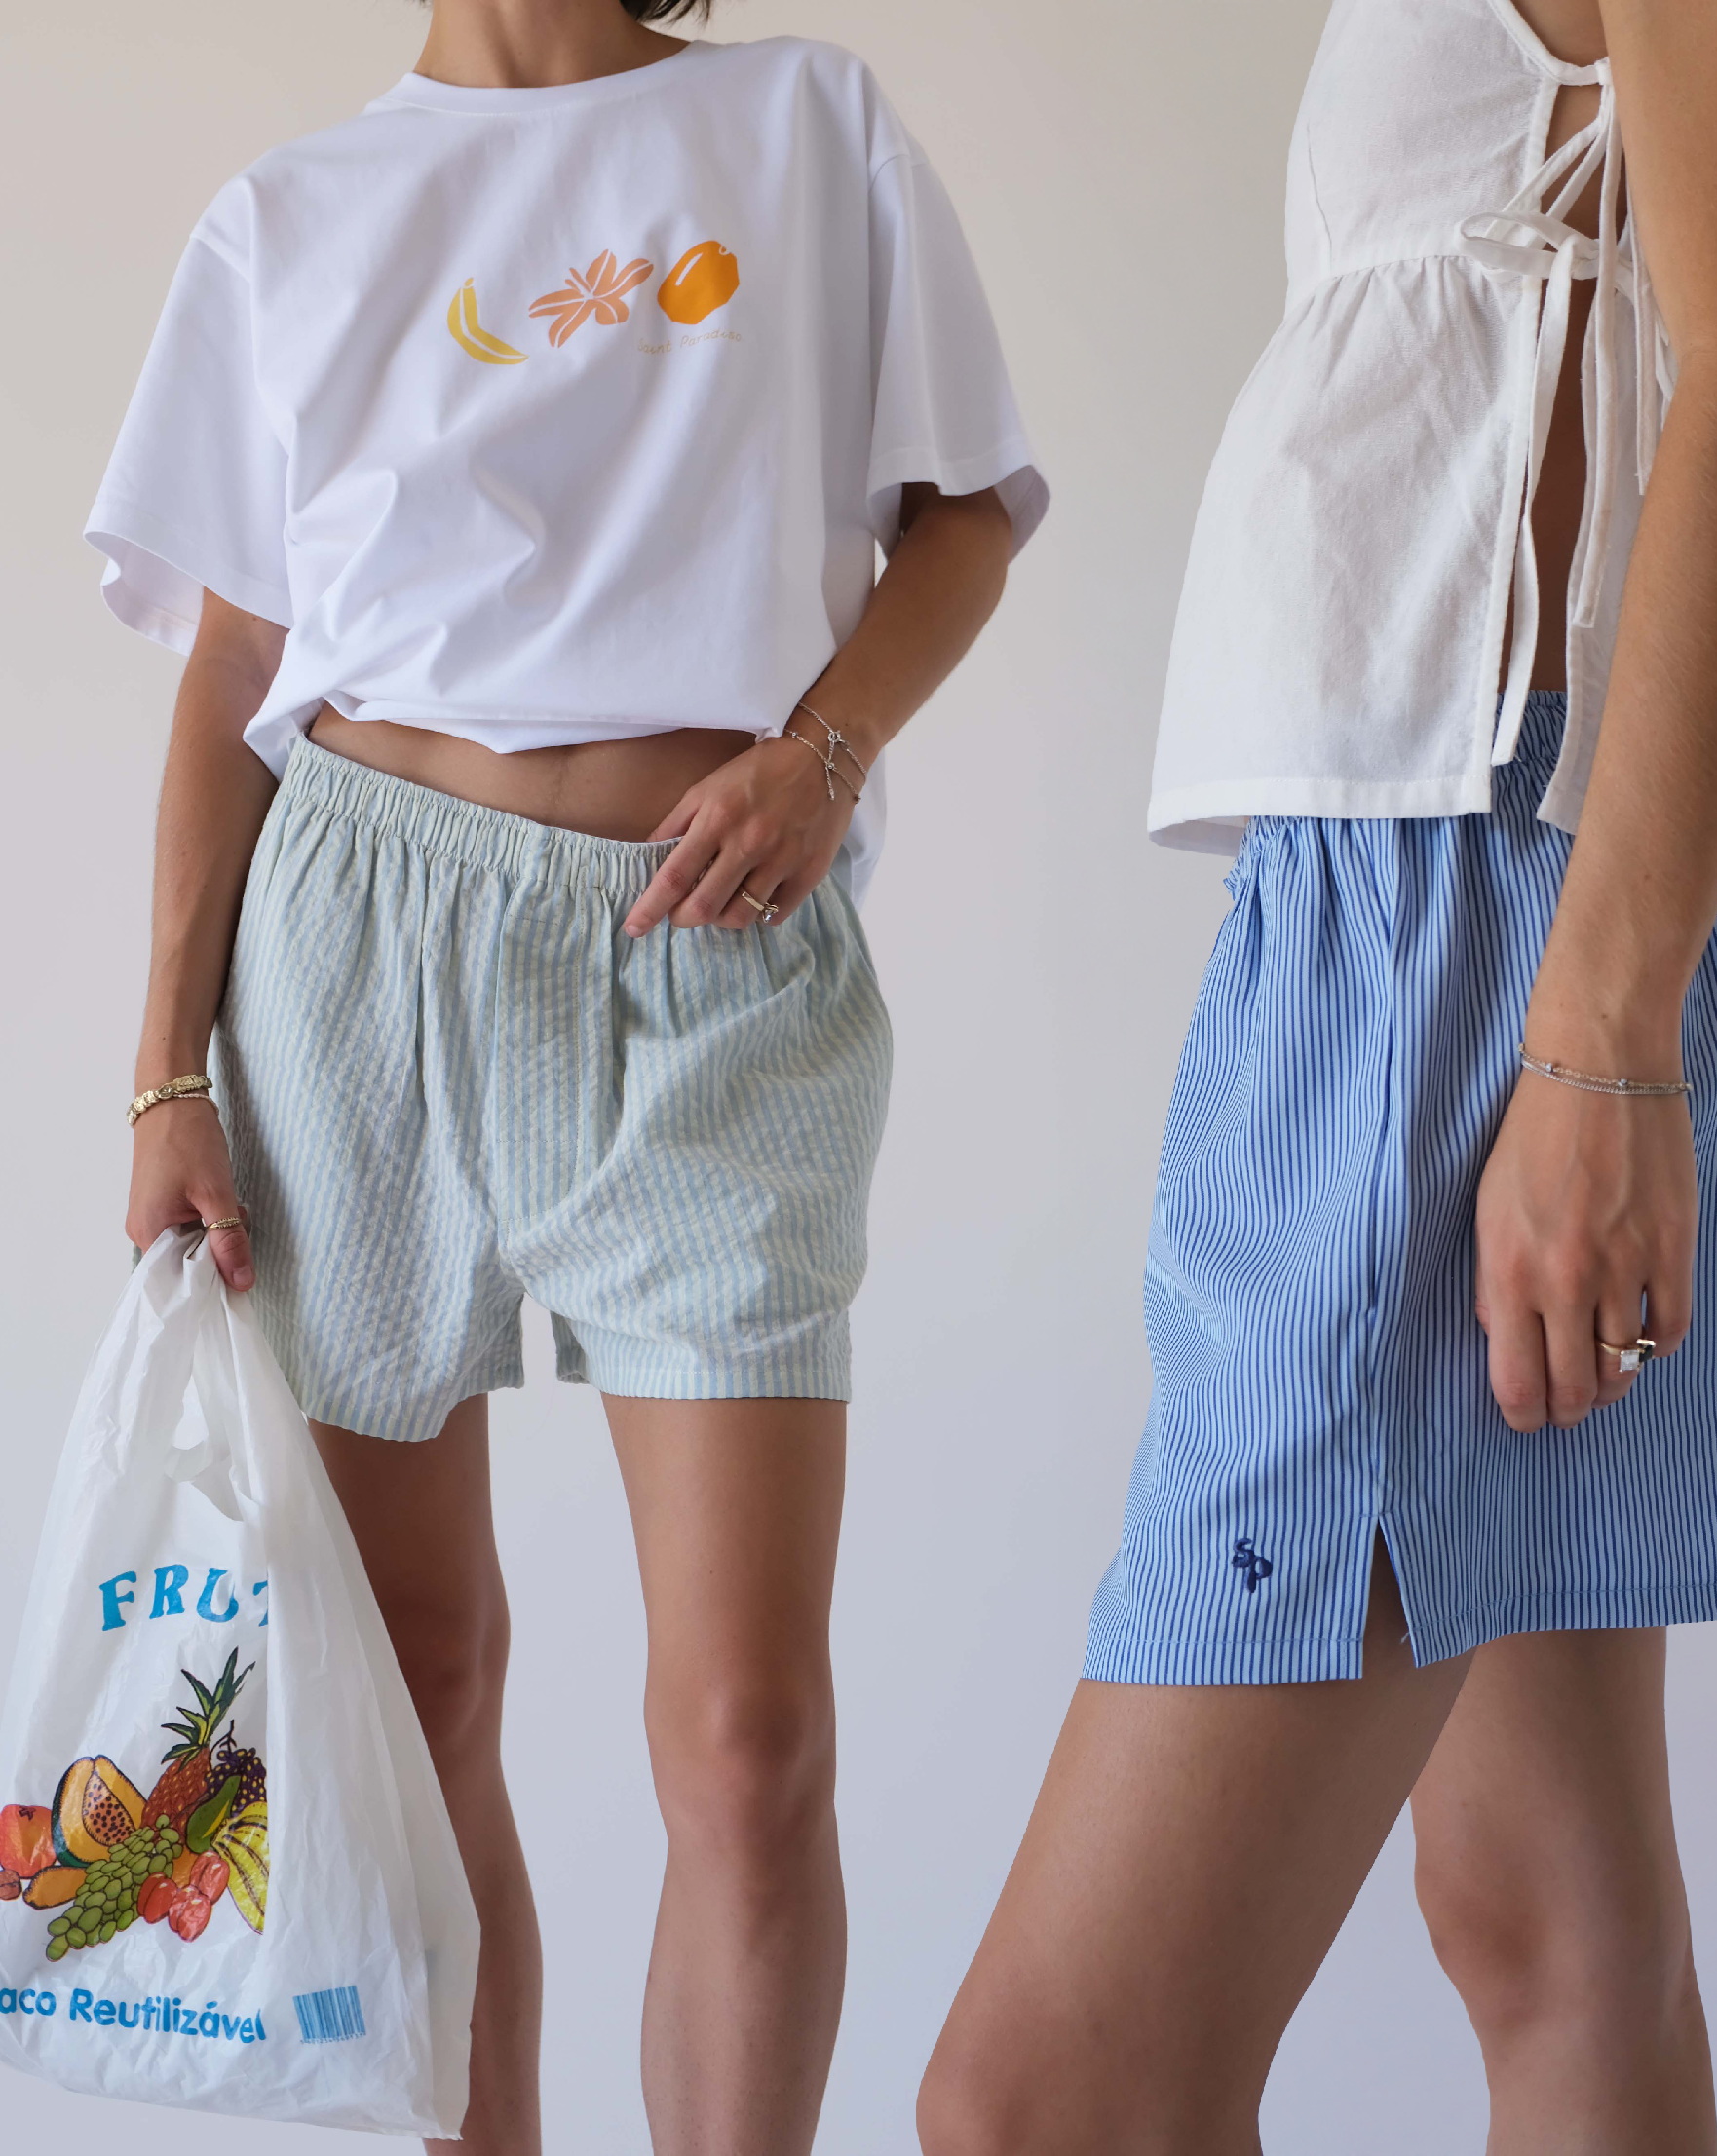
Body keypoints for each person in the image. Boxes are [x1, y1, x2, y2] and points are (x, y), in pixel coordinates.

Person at [98, 2, 1044, 2150]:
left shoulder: (802, 124)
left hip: (709, 958)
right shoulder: (290, 216)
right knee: (414, 1697)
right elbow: (237, 654)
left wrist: (826, 752)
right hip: (354, 962)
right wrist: (161, 1069)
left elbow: (967, 513)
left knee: (746, 1741)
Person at [920, 1, 1717, 2151]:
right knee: (1547, 1918)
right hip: (1465, 872)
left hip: (1473, 906)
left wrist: (1600, 1036)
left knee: (1044, 2096)